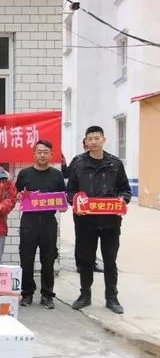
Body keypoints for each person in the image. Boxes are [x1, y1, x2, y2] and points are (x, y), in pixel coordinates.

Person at [67, 126, 131, 314]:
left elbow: (125, 189)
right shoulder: (78, 163)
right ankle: (84, 295)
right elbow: (70, 191)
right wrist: (75, 203)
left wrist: (123, 200)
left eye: (97, 138)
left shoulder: (115, 164)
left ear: (104, 139)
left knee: (110, 260)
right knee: (86, 260)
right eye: (90, 139)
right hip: (85, 222)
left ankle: (112, 298)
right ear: (86, 141)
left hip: (110, 222)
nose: (93, 142)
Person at [16, 140, 66, 309]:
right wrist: (18, 196)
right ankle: (27, 293)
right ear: (34, 154)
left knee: (48, 259)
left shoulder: (57, 175)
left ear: (51, 155)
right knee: (26, 259)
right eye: (39, 152)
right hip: (29, 222)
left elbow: (63, 197)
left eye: (46, 152)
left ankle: (47, 295)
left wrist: (63, 205)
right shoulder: (24, 174)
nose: (42, 155)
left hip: (48, 223)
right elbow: (17, 193)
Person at [64, 138, 104, 273]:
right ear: (84, 147)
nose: (91, 147)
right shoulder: (78, 161)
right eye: (88, 146)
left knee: (95, 236)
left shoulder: (103, 161)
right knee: (81, 237)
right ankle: (81, 264)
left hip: (97, 207)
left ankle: (92, 263)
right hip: (81, 206)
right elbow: (67, 175)